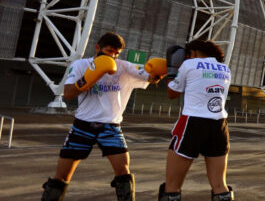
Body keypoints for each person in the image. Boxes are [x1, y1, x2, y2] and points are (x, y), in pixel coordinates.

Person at [41, 32, 166, 201]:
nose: (113, 55)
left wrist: (160, 72)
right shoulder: (80, 65)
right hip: (82, 126)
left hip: (111, 126)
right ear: (98, 47)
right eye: (109, 51)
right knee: (61, 177)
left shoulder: (124, 67)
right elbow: (68, 94)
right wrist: (89, 78)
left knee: (124, 174)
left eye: (116, 53)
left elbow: (151, 77)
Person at [158, 40, 234, 201]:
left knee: (172, 187)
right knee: (220, 186)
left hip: (192, 123)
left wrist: (172, 71)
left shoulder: (190, 64)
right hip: (219, 125)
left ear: (192, 52)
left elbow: (173, 93)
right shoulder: (225, 69)